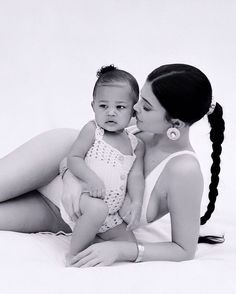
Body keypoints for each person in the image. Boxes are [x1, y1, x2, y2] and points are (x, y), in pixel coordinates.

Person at [0, 63, 225, 267]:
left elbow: (184, 250)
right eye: (138, 101)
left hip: (62, 215)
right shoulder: (135, 122)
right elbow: (82, 150)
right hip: (53, 162)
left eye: (146, 107)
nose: (134, 109)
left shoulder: (183, 170)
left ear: (175, 123)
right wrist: (69, 178)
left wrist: (119, 249)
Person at [59, 65, 145, 258]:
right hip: (85, 201)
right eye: (103, 106)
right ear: (93, 106)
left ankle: (89, 240)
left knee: (129, 244)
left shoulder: (135, 144)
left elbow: (136, 176)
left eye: (120, 107)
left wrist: (137, 201)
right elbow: (73, 158)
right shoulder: (93, 131)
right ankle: (74, 255)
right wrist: (91, 179)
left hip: (111, 214)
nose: (111, 112)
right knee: (98, 209)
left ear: (133, 111)